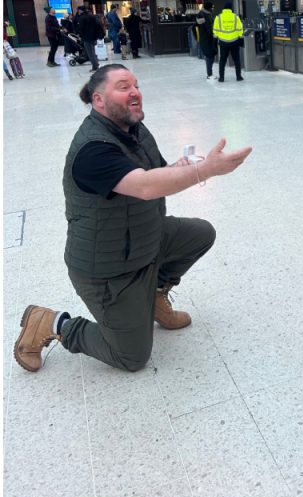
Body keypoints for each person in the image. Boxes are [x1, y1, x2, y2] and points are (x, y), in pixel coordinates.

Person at [13, 65, 253, 374]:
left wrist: (184, 166)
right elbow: (144, 186)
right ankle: (50, 322)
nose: (135, 92)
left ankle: (153, 297)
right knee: (132, 357)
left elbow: (154, 173)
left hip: (144, 238)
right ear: (98, 100)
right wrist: (204, 171)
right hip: (109, 268)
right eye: (124, 86)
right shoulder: (93, 149)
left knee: (201, 233)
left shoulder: (134, 129)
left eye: (136, 85)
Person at [212, 2, 245, 82]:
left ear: (224, 8)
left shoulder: (218, 17)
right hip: (234, 41)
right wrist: (240, 37)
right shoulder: (235, 17)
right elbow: (240, 28)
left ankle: (221, 78)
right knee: (236, 59)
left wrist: (216, 37)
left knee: (222, 60)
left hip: (223, 42)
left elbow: (215, 29)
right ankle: (238, 77)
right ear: (231, 9)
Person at [76, 6, 105, 72]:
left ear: (80, 10)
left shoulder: (82, 17)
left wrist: (79, 35)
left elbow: (80, 28)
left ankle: (95, 66)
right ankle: (96, 64)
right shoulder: (92, 16)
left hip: (86, 37)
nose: (78, 12)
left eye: (78, 10)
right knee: (93, 51)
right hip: (94, 37)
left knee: (90, 52)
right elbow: (97, 25)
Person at [195, 2, 218, 79]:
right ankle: (210, 75)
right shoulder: (204, 15)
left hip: (206, 39)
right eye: (212, 7)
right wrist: (214, 35)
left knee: (210, 56)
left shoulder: (204, 14)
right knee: (209, 56)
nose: (213, 9)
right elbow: (208, 28)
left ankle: (210, 74)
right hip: (206, 39)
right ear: (209, 8)